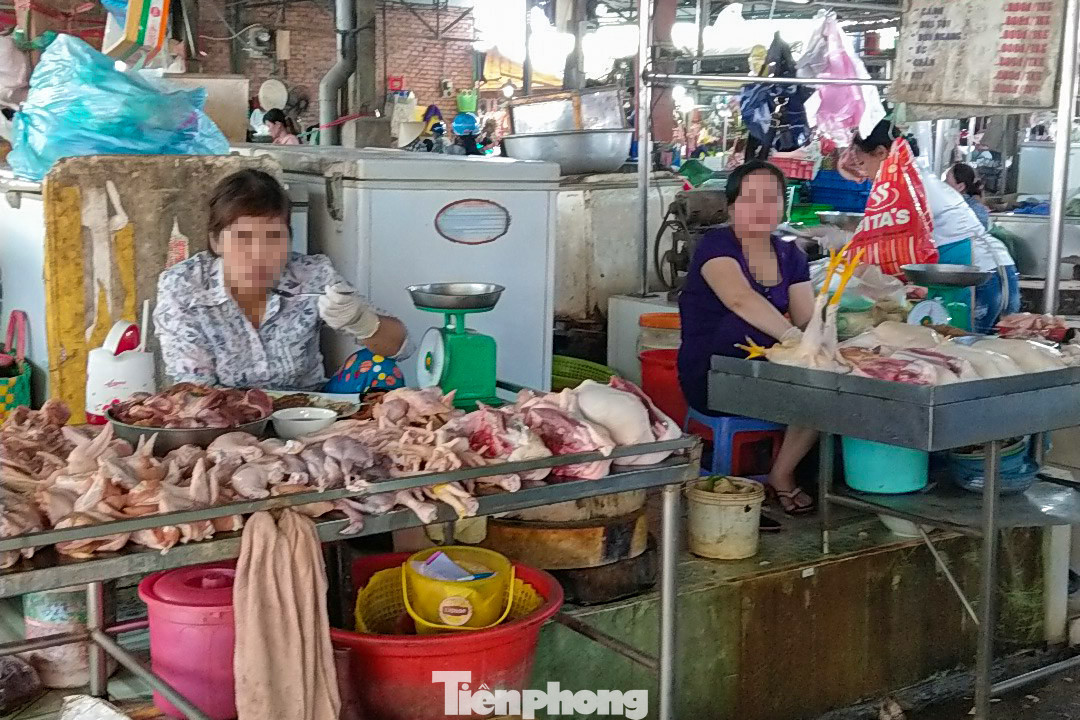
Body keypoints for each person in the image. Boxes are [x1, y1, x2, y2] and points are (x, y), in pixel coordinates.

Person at [154, 169, 410, 391]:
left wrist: (360, 321)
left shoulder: (311, 275)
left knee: (379, 368)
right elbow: (195, 390)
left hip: (309, 413)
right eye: (243, 238)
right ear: (216, 241)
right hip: (226, 416)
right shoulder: (185, 286)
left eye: (274, 237)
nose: (259, 254)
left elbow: (401, 347)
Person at [678, 161, 818, 516]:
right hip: (713, 373)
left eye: (772, 198)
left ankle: (780, 473)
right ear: (732, 207)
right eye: (750, 198)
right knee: (814, 396)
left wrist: (823, 339)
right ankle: (780, 478)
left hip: (766, 368)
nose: (762, 207)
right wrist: (793, 337)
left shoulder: (791, 255)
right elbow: (739, 299)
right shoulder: (716, 246)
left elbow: (806, 317)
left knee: (828, 389)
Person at [851, 120, 1019, 332]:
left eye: (862, 163)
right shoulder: (911, 177)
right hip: (987, 270)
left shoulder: (906, 184)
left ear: (881, 153)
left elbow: (881, 238)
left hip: (977, 276)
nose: (863, 172)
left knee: (964, 346)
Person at [946, 162, 991, 230]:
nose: (942, 186)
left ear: (960, 187)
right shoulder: (977, 208)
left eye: (946, 183)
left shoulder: (973, 209)